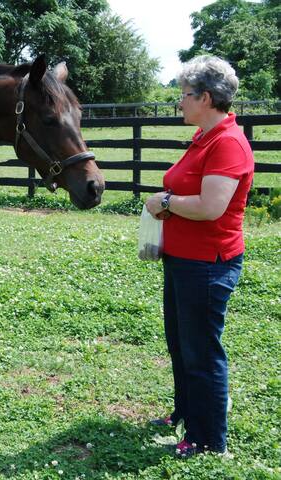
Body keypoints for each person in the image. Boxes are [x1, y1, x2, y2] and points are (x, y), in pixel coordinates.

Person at [145, 55, 254, 457]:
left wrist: (166, 201)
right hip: (183, 260)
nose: (179, 102)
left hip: (207, 264)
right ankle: (185, 413)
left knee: (202, 352)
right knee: (181, 344)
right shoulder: (205, 137)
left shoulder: (227, 143)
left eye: (185, 95)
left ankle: (208, 440)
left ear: (206, 98)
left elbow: (211, 206)